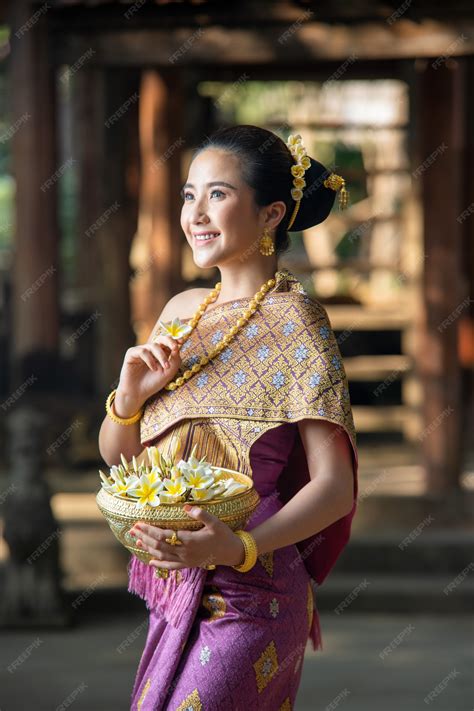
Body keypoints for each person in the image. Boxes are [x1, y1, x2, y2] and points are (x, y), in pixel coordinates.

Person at [98, 125, 358, 711]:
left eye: (217, 194)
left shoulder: (298, 320)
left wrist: (237, 547)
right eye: (190, 195)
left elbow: (334, 487)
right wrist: (130, 398)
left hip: (256, 589)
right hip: (176, 585)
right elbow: (120, 462)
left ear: (271, 215)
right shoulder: (181, 311)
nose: (196, 213)